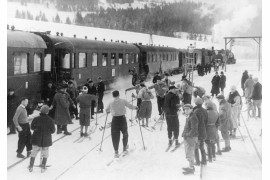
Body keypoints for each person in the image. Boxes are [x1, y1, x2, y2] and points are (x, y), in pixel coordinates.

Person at [105, 90, 138, 157]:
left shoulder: (111, 102)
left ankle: (116, 152)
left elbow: (107, 110)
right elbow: (130, 106)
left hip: (115, 120)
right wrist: (135, 107)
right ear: (119, 95)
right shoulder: (123, 101)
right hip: (122, 119)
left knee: (115, 135)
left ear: (113, 96)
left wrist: (109, 111)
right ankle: (124, 148)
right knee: (125, 133)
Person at [28, 105, 55, 172]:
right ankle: (43, 167)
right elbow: (53, 130)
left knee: (33, 153)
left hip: (36, 139)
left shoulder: (36, 119)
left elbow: (32, 128)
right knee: (45, 153)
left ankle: (31, 167)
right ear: (47, 112)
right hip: (46, 140)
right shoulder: (50, 120)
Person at [182, 104, 198, 175]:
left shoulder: (192, 117)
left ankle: (191, 168)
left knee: (190, 152)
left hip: (190, 138)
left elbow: (194, 129)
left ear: (191, 109)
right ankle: (190, 166)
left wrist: (187, 135)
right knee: (188, 152)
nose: (186, 111)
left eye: (188, 109)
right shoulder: (189, 116)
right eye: (185, 109)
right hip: (188, 137)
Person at [193, 98, 208, 166]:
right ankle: (204, 160)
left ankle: (197, 161)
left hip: (198, 132)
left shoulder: (195, 111)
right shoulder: (205, 111)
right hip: (203, 131)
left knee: (196, 147)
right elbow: (206, 121)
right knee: (202, 147)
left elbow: (194, 123)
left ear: (196, 103)